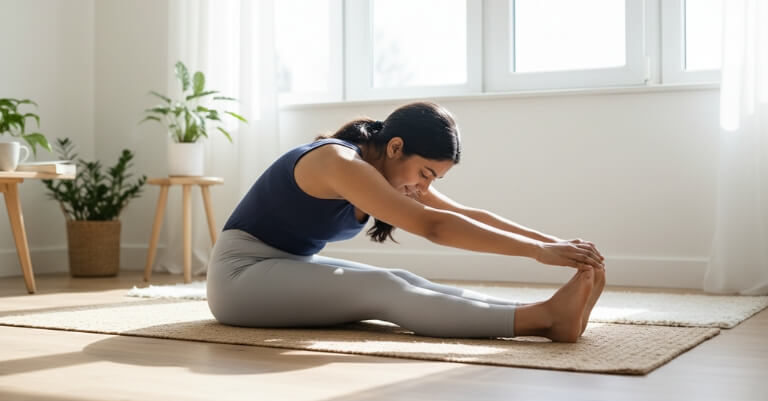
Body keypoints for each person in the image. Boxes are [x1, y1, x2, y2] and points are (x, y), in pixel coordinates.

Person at [207, 101, 606, 342]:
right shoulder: (338, 162)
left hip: (282, 266)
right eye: (426, 174)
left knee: (403, 278)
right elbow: (435, 226)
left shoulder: (384, 168)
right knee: (383, 288)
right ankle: (543, 321)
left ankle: (543, 311)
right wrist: (538, 253)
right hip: (239, 278)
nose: (423, 187)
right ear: (395, 147)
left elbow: (461, 214)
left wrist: (557, 245)